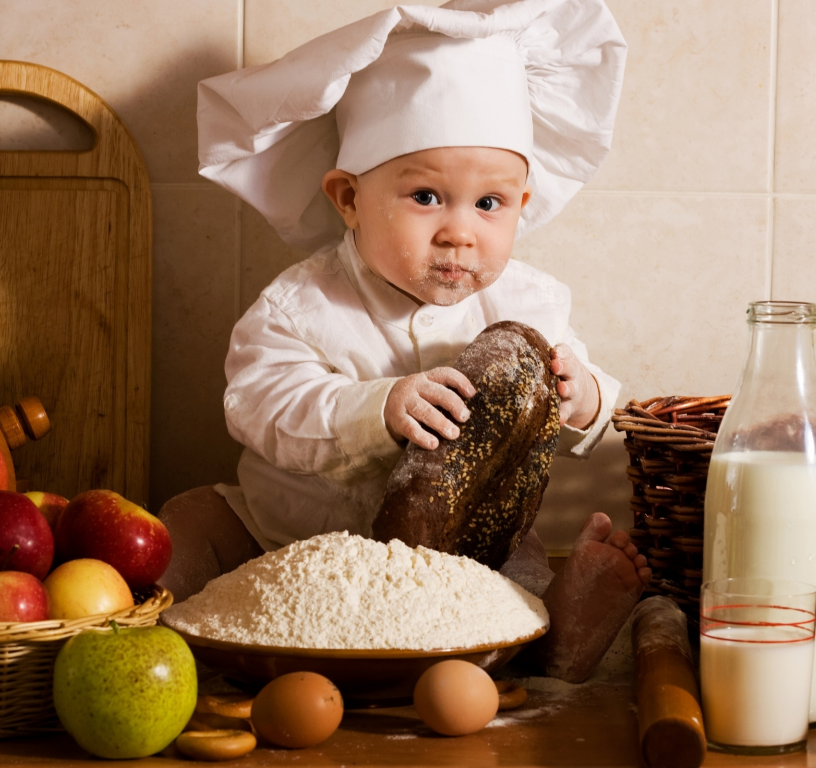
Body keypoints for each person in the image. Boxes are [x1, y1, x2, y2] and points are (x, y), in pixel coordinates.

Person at [158, 0, 650, 683]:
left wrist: (582, 396)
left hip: (462, 564)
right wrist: (375, 408)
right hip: (290, 549)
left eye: (489, 204)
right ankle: (167, 648)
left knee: (515, 584)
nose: (459, 231)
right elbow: (258, 405)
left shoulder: (529, 303)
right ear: (348, 198)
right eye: (426, 196)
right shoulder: (301, 304)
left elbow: (570, 423)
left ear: (522, 207)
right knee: (190, 518)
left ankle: (556, 645)